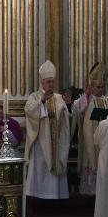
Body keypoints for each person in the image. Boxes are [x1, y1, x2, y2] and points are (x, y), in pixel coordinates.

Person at [24, 60, 72, 199]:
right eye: (49, 81)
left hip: (56, 142)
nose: (51, 84)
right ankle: (38, 193)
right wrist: (43, 101)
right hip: (41, 143)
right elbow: (29, 110)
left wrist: (68, 106)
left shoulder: (58, 98)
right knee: (40, 167)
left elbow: (66, 120)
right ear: (42, 82)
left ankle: (55, 194)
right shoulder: (35, 96)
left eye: (53, 81)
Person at [73, 63, 108, 195]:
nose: (100, 90)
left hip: (104, 142)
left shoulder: (107, 100)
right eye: (97, 87)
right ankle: (89, 192)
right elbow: (78, 109)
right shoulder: (86, 100)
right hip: (90, 141)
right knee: (91, 163)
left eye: (102, 87)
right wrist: (87, 95)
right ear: (92, 87)